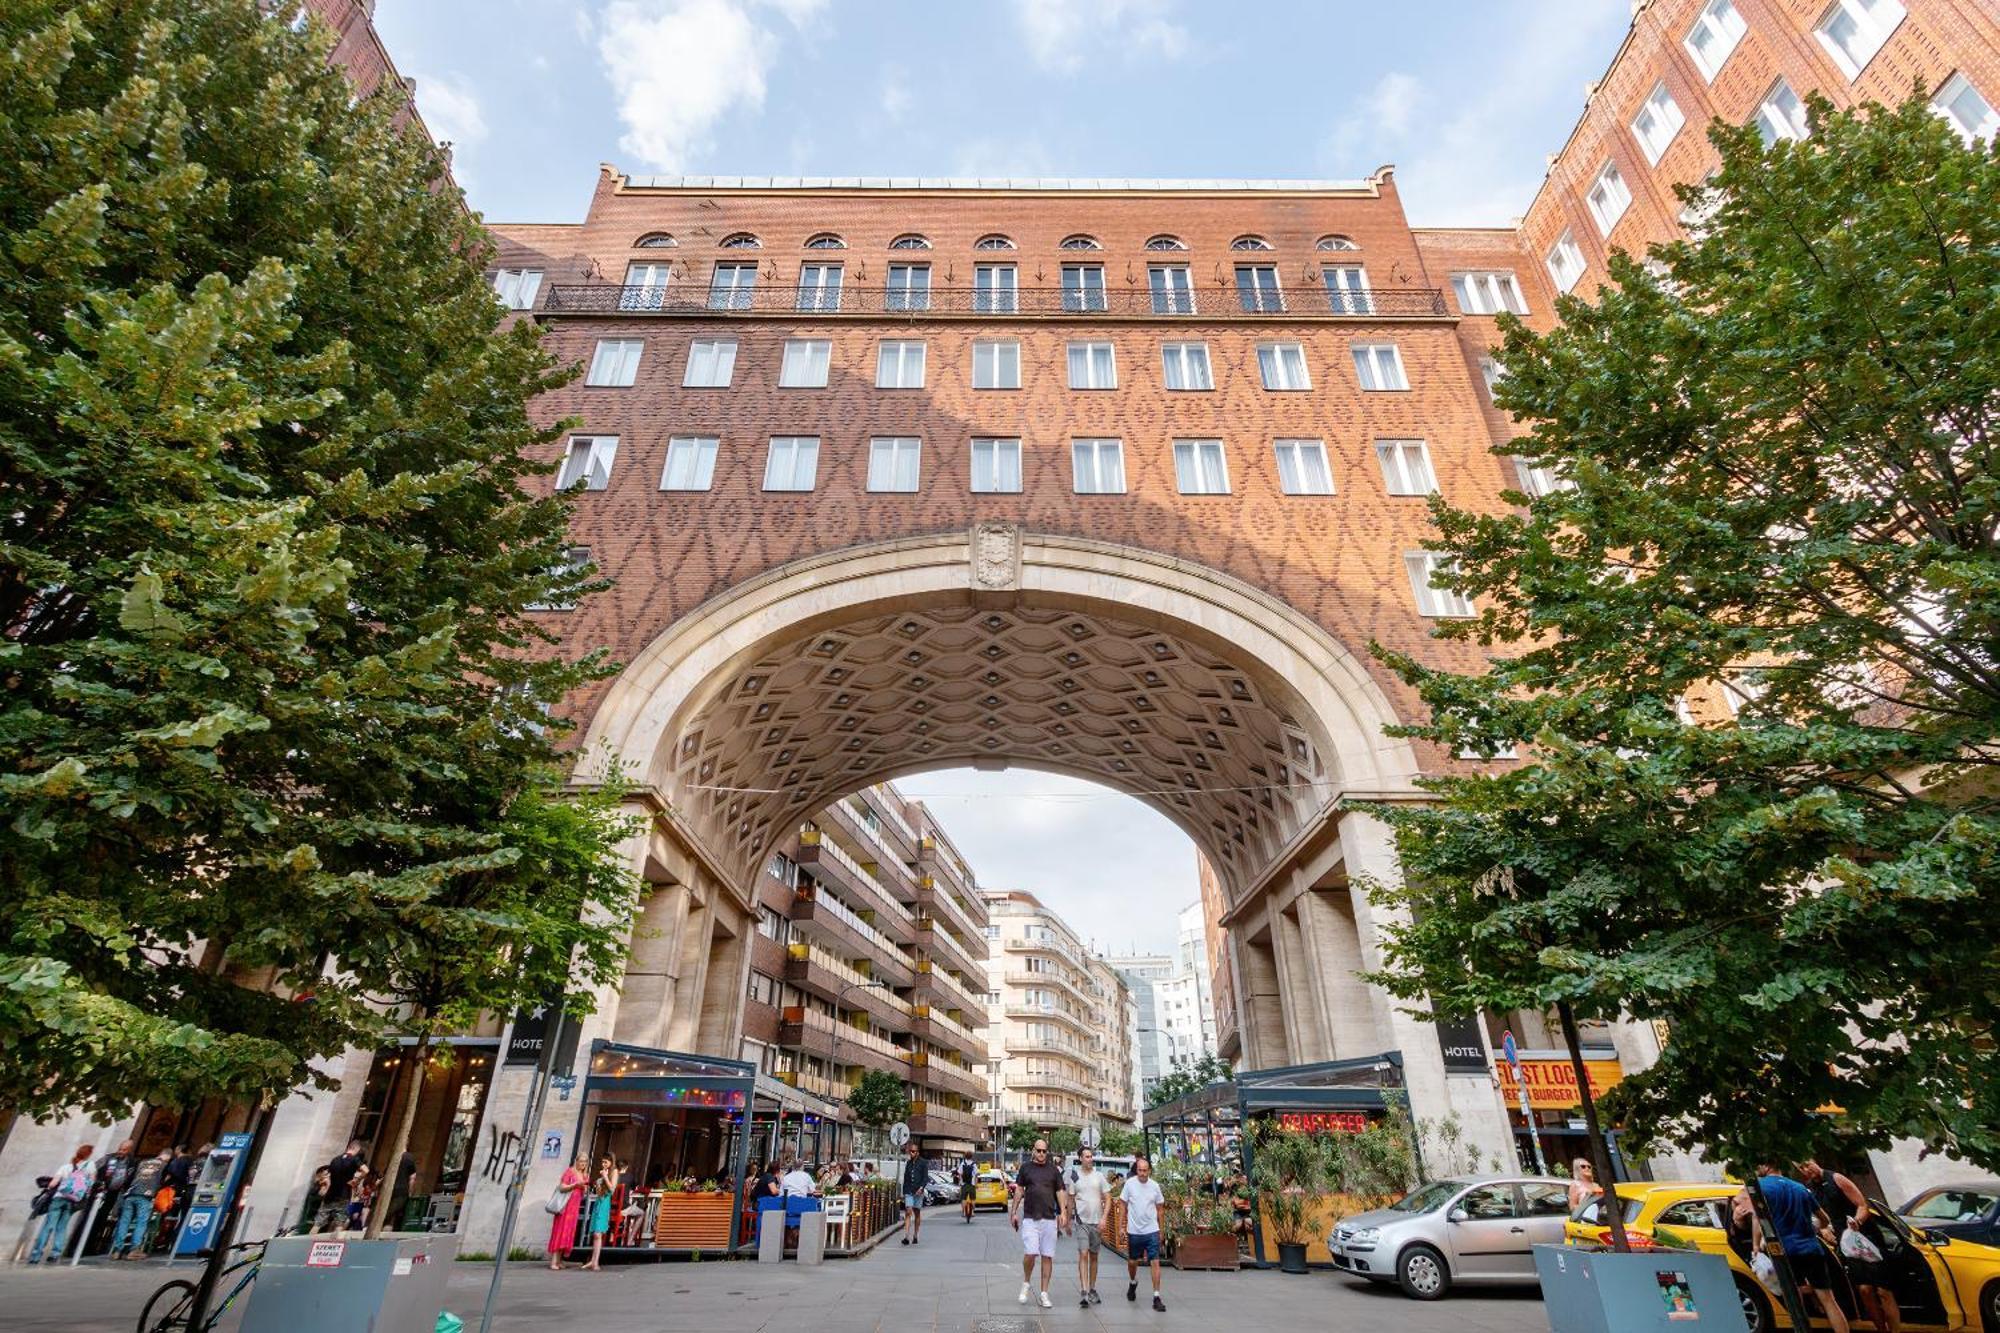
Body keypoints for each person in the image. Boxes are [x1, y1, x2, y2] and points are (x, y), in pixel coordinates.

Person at [1800, 1159, 1896, 1333]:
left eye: (1807, 1164)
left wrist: (1857, 1221)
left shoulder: (1836, 1178)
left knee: (1883, 1290)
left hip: (1866, 1236)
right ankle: (1882, 1329)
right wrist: (1824, 1230)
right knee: (1864, 1290)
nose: (1806, 1169)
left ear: (1814, 1162)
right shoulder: (1810, 1190)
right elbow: (1818, 1219)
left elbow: (1862, 1205)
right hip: (1846, 1244)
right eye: (1801, 1168)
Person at [1757, 1164, 1851, 1333]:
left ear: (1767, 1166)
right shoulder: (1800, 1188)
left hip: (1784, 1251)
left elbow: (1759, 1220)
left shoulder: (1761, 1187)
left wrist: (1757, 1245)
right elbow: (1824, 1219)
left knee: (1795, 1301)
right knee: (1829, 1300)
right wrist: (1814, 1228)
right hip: (1811, 1248)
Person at [1011, 1137, 1070, 1310]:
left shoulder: (1053, 1170)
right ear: (1033, 1151)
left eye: (1044, 1151)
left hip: (1049, 1219)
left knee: (1047, 1256)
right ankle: (1026, 1282)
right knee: (1030, 1253)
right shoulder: (1025, 1168)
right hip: (1030, 1218)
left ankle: (1044, 1293)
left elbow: (1060, 1191)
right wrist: (1013, 1212)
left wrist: (1063, 1212)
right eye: (1039, 1150)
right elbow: (1019, 1190)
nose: (1042, 1154)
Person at [29, 1143, 96, 1264]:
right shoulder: (90, 1166)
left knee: (48, 1227)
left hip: (59, 1198)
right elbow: (91, 1184)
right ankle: (55, 1254)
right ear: (89, 1155)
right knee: (62, 1227)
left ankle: (36, 1255)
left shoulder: (65, 1167)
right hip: (73, 1200)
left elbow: (52, 1184)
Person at [1121, 1154, 1168, 1313]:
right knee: (1133, 1262)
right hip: (1134, 1231)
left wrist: (1161, 1230)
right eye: (1140, 1170)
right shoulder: (1129, 1184)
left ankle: (1156, 1296)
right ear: (1136, 1171)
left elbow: (1160, 1209)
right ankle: (1133, 1282)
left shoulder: (1155, 1186)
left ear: (1149, 1171)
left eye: (1145, 1171)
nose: (1142, 1173)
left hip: (1151, 1230)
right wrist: (1122, 1226)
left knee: (1155, 1261)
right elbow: (1123, 1205)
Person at [1069, 1147, 1110, 1308]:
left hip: (1097, 1222)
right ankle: (1084, 1290)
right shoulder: (1075, 1176)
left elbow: (1108, 1198)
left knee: (1094, 1256)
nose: (1090, 1159)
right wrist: (1068, 1219)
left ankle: (1092, 1288)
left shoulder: (1099, 1176)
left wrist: (1104, 1218)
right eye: (1086, 1156)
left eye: (1091, 1156)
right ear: (1080, 1158)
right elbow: (1071, 1199)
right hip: (1081, 1222)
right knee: (1083, 1254)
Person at [113, 1147, 171, 1259]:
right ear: (167, 1157)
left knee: (124, 1221)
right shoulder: (164, 1165)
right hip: (146, 1194)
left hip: (131, 1193)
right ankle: (134, 1250)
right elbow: (165, 1180)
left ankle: (117, 1249)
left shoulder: (143, 1162)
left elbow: (130, 1177)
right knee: (141, 1222)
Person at [313, 1139, 367, 1234]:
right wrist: (356, 1180)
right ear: (356, 1149)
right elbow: (366, 1170)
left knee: (317, 1223)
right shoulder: (354, 1159)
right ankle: (335, 1245)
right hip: (344, 1195)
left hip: (330, 1195)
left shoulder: (335, 1159)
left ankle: (309, 1244)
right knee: (339, 1224)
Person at [547, 1153, 588, 1271]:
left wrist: (584, 1188)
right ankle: (554, 1261)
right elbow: (561, 1187)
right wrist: (575, 1185)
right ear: (576, 1161)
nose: (583, 1164)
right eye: (581, 1161)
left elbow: (583, 1193)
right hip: (565, 1206)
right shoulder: (569, 1171)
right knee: (560, 1231)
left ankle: (559, 1260)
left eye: (585, 1162)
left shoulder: (584, 1175)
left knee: (567, 1233)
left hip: (574, 1208)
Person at [582, 1156, 616, 1271]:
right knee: (595, 1234)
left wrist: (605, 1177)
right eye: (602, 1162)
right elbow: (599, 1193)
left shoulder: (612, 1173)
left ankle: (595, 1262)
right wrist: (598, 1184)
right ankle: (593, 1261)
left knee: (598, 1233)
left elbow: (612, 1189)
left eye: (605, 1162)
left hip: (604, 1205)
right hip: (598, 1203)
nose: (603, 1164)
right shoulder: (601, 1176)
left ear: (611, 1163)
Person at [899, 1142, 932, 1246]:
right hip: (909, 1191)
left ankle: (915, 1235)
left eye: (913, 1151)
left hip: (918, 1191)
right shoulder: (908, 1163)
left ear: (917, 1152)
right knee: (908, 1211)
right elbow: (906, 1178)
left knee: (917, 1212)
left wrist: (921, 1188)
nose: (911, 1153)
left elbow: (925, 1178)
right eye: (910, 1151)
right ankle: (906, 1236)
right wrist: (904, 1192)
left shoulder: (923, 1163)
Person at [386, 1150, 418, 1232]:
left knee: (387, 1214)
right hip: (402, 1191)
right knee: (397, 1216)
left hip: (389, 1190)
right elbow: (412, 1177)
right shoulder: (409, 1157)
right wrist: (410, 1192)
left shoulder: (393, 1155)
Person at [959, 1157, 978, 1224]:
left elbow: (960, 1174)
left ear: (965, 1156)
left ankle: (963, 1212)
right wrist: (976, 1184)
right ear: (971, 1156)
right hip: (972, 1184)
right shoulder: (974, 1164)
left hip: (964, 1184)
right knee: (973, 1198)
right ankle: (972, 1212)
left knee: (963, 1198)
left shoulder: (962, 1164)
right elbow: (976, 1175)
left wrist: (960, 1183)